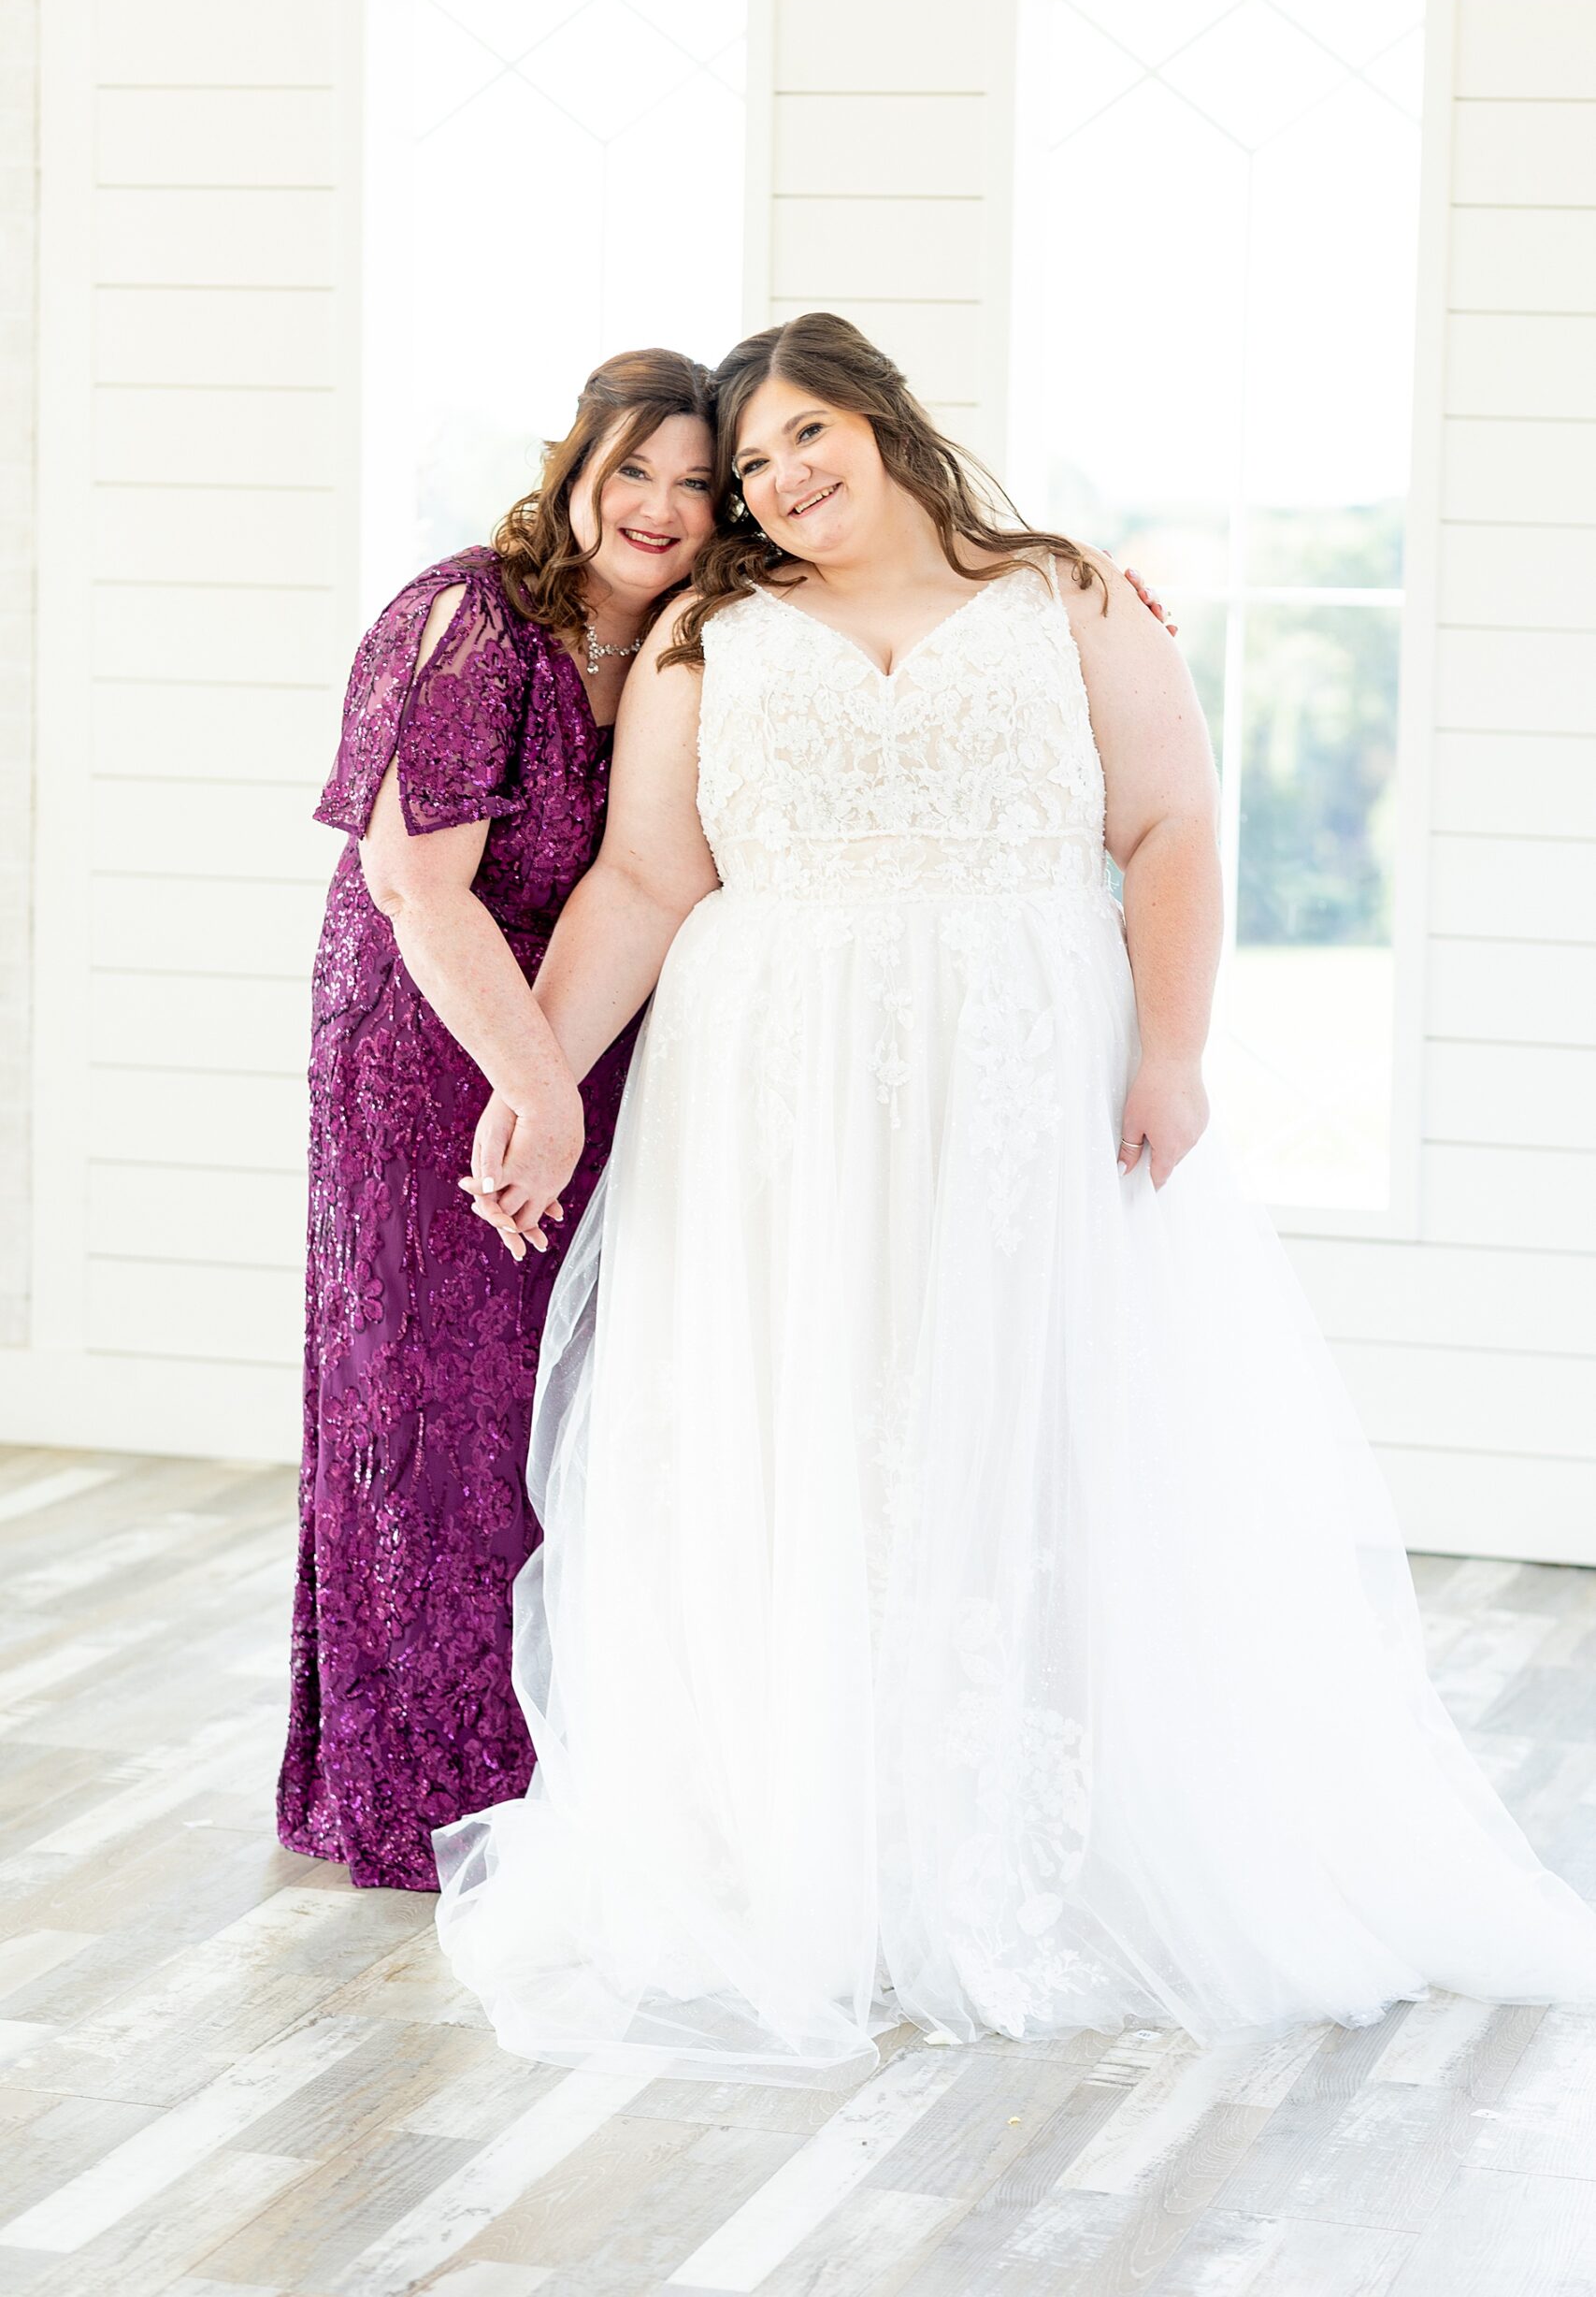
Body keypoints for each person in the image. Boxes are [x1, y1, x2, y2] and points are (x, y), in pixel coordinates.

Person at [439, 312, 1596, 2086]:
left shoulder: (1070, 599)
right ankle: (812, 1832)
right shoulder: (710, 637)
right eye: (751, 464)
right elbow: (652, 876)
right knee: (805, 1426)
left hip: (1020, 1072)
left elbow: (1173, 826)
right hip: (775, 1092)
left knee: (1027, 1420)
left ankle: (1031, 1824)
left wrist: (1178, 1050)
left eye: (806, 433)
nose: (782, 479)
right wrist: (538, 1081)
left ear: (886, 420)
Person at [276, 348, 717, 1890]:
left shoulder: (694, 636)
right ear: (577, 462)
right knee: (429, 1411)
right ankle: (421, 1794)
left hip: (583, 1041)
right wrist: (533, 1086)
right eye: (635, 468)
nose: (660, 506)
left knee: (558, 1408)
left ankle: (551, 1767)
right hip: (426, 1037)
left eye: (695, 482)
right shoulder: (474, 615)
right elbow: (412, 885)